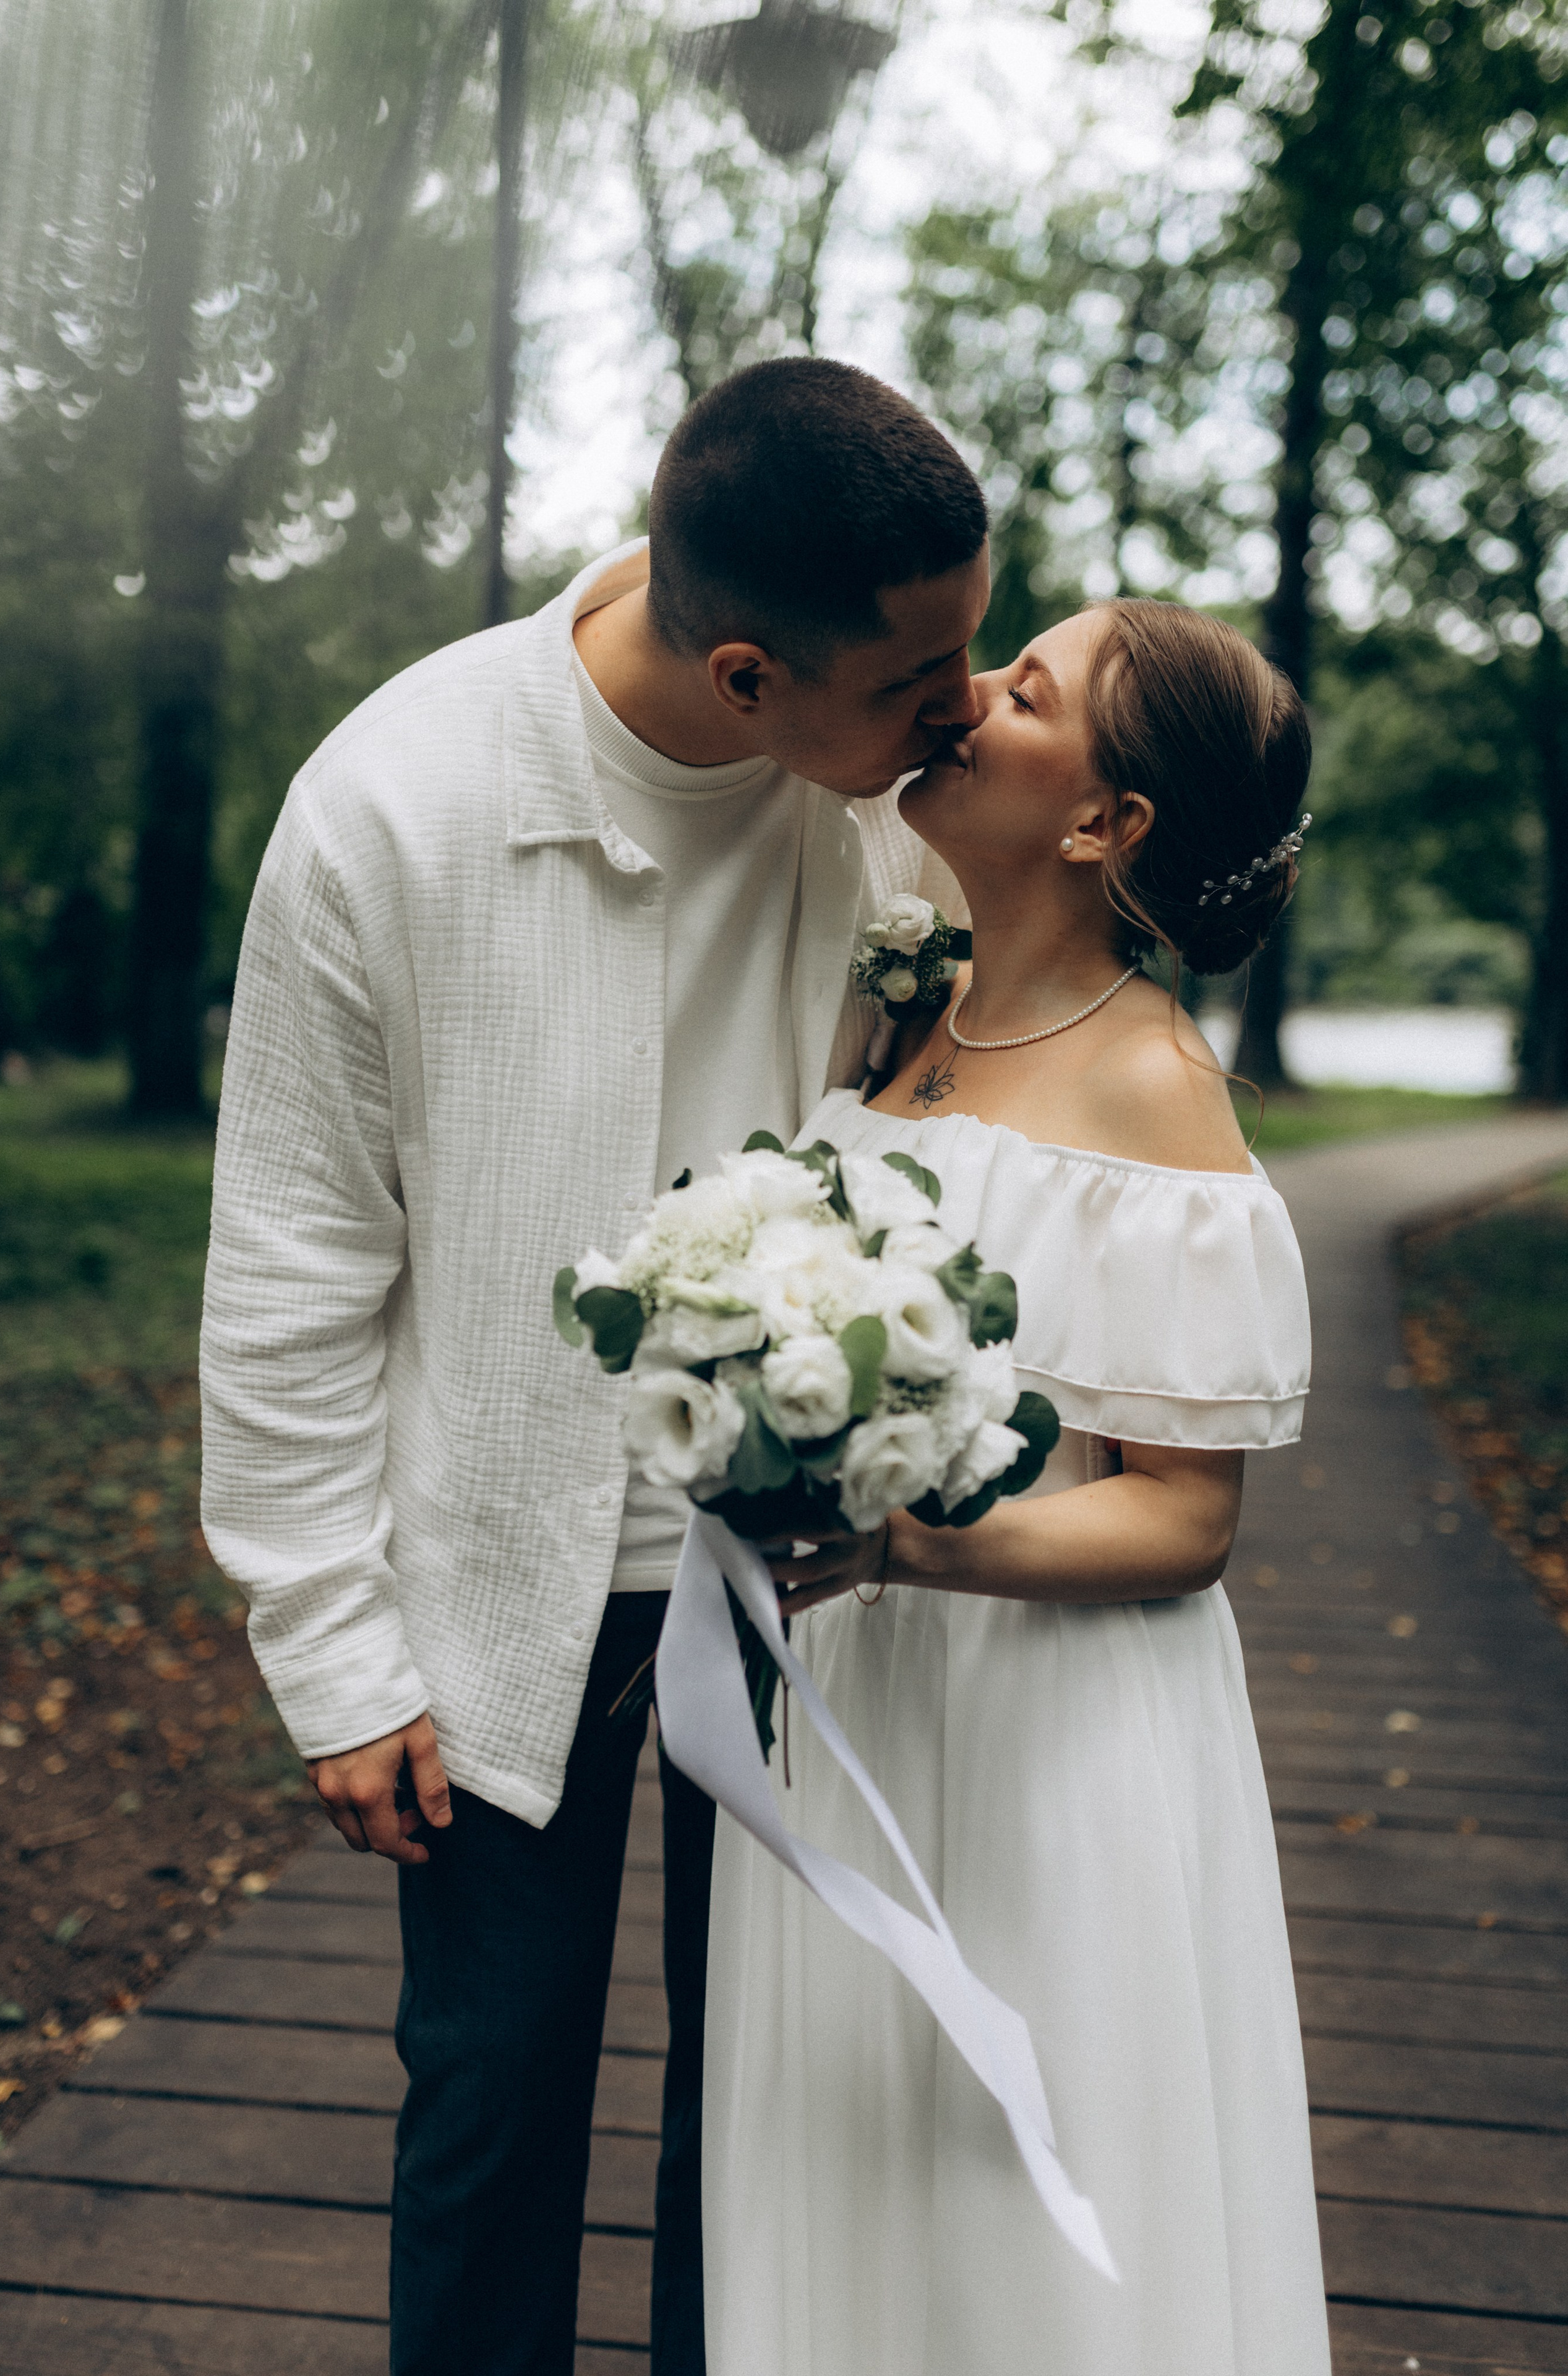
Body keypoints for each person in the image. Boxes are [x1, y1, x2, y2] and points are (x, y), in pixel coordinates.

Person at [198, 356, 990, 2376]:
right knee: (490, 2098)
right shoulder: (391, 808)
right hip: (493, 1580)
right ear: (748, 678)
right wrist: (334, 1647)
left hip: (815, 1579)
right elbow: (294, 1261)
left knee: (775, 2113)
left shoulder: (911, 820)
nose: (967, 705)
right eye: (920, 675)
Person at [701, 598, 1332, 2375]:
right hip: (864, 1699)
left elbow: (1187, 1517)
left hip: (1050, 1731)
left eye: (1024, 689)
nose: (964, 698)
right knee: (856, 2165)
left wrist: (906, 1544)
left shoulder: (1154, 1088)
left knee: (1021, 2204)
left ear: (1103, 822)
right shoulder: (909, 1007)